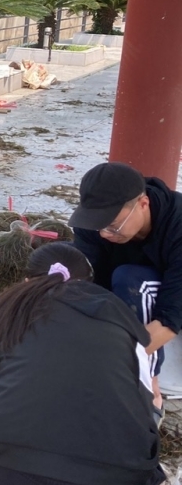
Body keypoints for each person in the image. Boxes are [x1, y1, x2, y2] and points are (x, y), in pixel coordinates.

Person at [0, 243, 164, 485]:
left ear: (26, 280)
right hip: (116, 475)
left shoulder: (3, 306)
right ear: (88, 283)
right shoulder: (121, 319)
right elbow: (146, 403)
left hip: (3, 467)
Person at [69, 161, 182, 423]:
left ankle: (149, 391)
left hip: (170, 296)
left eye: (114, 226)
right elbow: (85, 283)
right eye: (98, 225)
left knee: (132, 280)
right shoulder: (95, 226)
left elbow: (171, 315)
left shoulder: (177, 224)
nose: (105, 234)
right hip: (136, 290)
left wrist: (110, 366)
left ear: (143, 204)